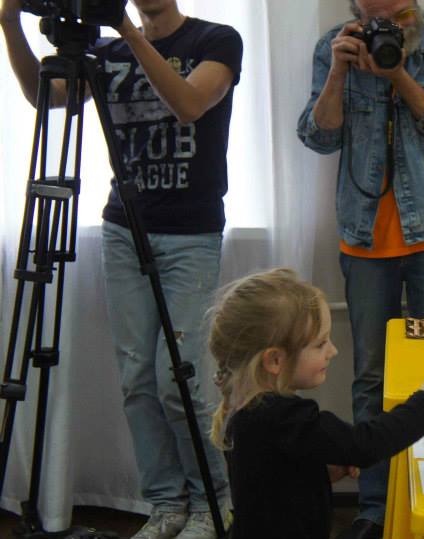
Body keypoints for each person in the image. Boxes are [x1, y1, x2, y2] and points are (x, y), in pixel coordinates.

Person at [1, 1, 242, 538]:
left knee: (179, 379)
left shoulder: (216, 40)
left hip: (191, 232)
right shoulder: (105, 53)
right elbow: (46, 99)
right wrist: (9, 23)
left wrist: (128, 32)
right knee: (137, 380)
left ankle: (212, 501)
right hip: (124, 229)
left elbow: (190, 104)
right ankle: (166, 503)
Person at [297, 1, 424, 537]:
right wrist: (339, 72)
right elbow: (318, 137)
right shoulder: (334, 45)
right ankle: (374, 509)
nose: (384, 17)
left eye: (396, 12)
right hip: (364, 237)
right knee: (371, 379)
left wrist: (397, 73)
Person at [206, 268, 424, 539]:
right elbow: (367, 444)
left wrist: (319, 471)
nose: (333, 350)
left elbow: (273, 484)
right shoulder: (285, 417)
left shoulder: (251, 411)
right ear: (275, 360)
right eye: (320, 344)